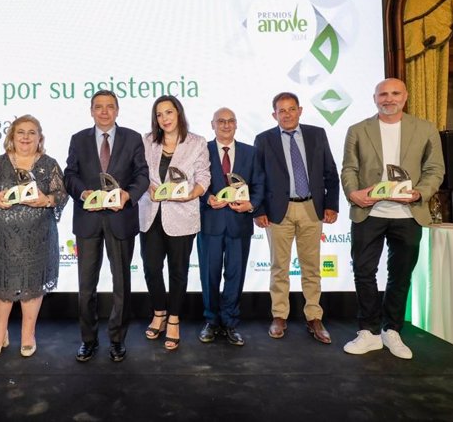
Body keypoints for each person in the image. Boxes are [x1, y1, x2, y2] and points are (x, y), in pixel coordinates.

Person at [341, 78, 444, 360]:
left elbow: (435, 169)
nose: (389, 98)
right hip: (369, 212)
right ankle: (369, 332)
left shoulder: (424, 129)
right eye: (383, 94)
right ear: (375, 98)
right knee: (364, 272)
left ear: (405, 96)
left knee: (400, 275)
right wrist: (354, 193)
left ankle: (392, 330)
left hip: (408, 214)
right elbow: (349, 168)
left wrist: (419, 194)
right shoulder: (358, 130)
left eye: (395, 93)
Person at [64, 89, 149, 363]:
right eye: (98, 106)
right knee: (86, 286)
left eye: (109, 106)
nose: (104, 111)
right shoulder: (78, 139)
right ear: (91, 110)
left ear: (117, 110)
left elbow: (142, 175)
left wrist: (128, 195)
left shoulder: (133, 138)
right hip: (88, 220)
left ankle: (117, 340)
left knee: (121, 285)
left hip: (120, 219)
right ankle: (88, 340)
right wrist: (83, 193)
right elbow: (70, 175)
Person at [0, 115, 67, 359]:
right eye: (20, 133)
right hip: (5, 239)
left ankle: (28, 336)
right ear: (12, 138)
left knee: (32, 287)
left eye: (31, 132)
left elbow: (61, 194)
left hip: (38, 238)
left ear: (39, 138)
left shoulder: (49, 164)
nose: (26, 137)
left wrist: (46, 200)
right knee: (2, 288)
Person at [253, 91, 339, 344]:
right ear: (274, 115)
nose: (287, 114)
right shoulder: (264, 139)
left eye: (292, 109)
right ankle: (280, 315)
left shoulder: (317, 134)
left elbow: (330, 172)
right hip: (279, 211)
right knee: (279, 267)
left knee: (311, 267)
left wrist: (331, 204)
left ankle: (314, 316)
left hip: (312, 208)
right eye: (282, 110)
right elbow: (257, 177)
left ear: (300, 110)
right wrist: (258, 210)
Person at [138, 95, 210, 350]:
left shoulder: (197, 143)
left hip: (182, 215)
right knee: (151, 268)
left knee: (178, 271)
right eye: (159, 114)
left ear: (178, 113)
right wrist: (149, 187)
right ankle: (159, 312)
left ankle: (174, 319)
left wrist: (191, 193)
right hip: (151, 214)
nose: (164, 118)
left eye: (169, 112)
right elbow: (138, 172)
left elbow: (203, 175)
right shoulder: (146, 141)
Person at [197, 108, 265, 346]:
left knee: (235, 276)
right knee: (209, 275)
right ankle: (211, 321)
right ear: (212, 124)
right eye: (221, 121)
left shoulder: (251, 152)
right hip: (210, 224)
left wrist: (251, 205)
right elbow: (194, 182)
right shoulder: (200, 150)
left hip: (239, 224)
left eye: (231, 121)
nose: (226, 125)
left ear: (236, 124)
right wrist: (207, 199)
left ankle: (230, 323)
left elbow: (259, 184)